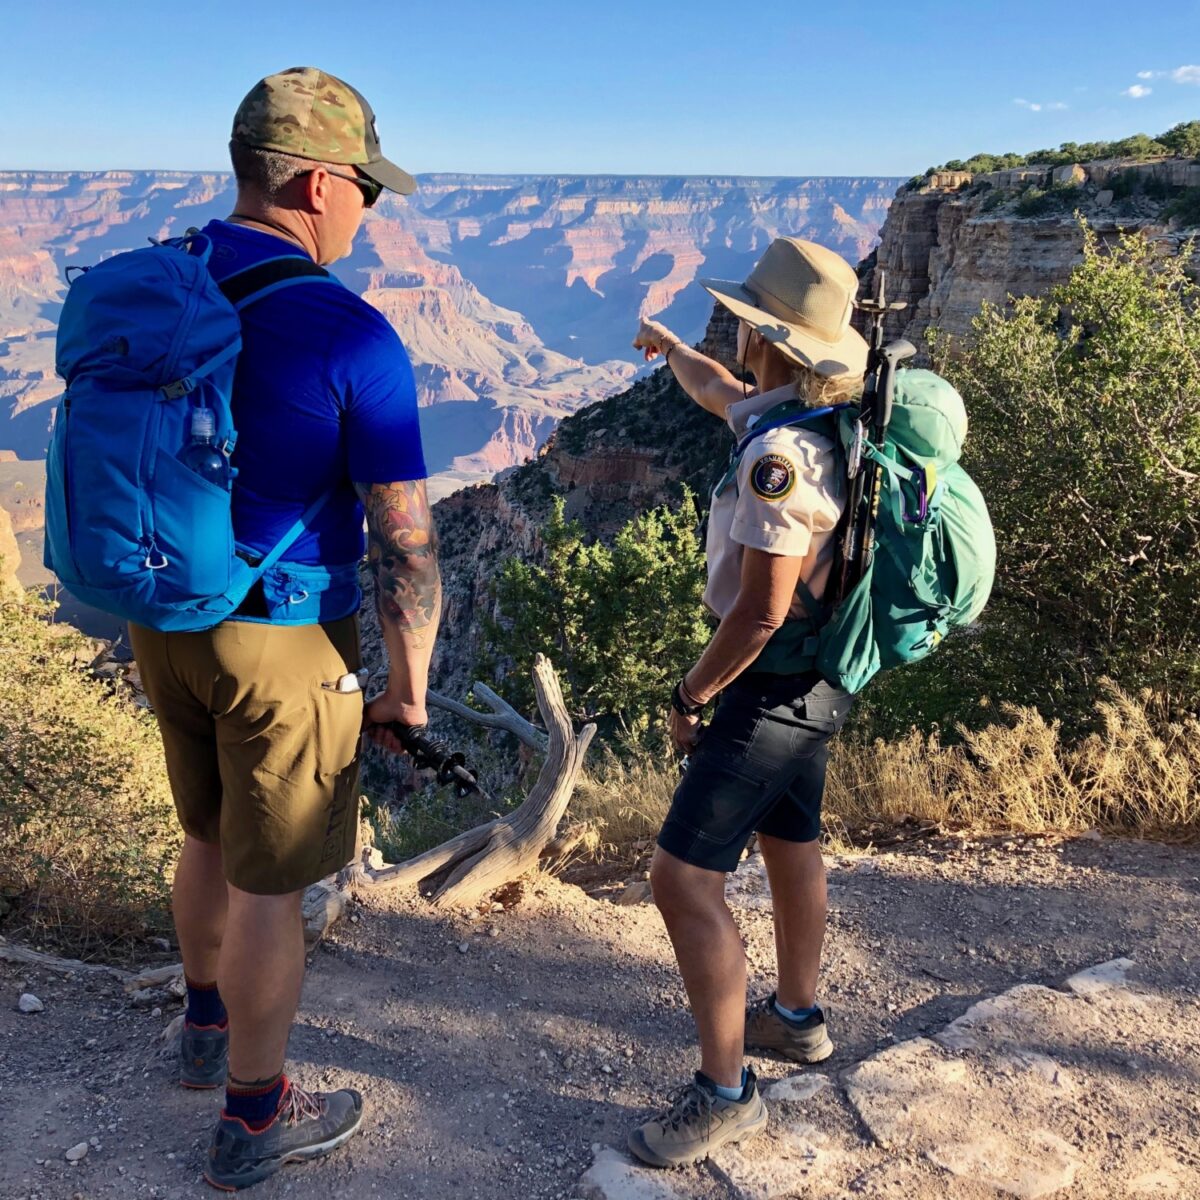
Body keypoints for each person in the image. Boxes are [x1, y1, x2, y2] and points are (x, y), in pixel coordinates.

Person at [127, 67, 441, 1191]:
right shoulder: (348, 331)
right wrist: (407, 686)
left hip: (162, 622)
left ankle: (202, 1030)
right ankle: (254, 1118)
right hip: (284, 642)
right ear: (315, 182)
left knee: (206, 837)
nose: (372, 208)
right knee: (273, 886)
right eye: (365, 185)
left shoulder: (165, 280)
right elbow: (405, 543)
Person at [626, 237, 866, 1168]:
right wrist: (667, 344)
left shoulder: (779, 463)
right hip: (819, 685)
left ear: (766, 335)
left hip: (768, 690)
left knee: (681, 880)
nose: (730, 336)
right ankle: (798, 1018)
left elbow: (761, 609)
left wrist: (692, 693)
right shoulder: (810, 419)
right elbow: (716, 390)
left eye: (742, 324)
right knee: (790, 840)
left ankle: (726, 1092)